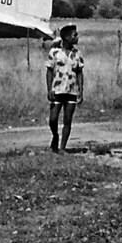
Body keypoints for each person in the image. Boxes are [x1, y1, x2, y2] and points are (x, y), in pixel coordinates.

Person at [46, 24, 84, 153]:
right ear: (67, 37)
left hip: (71, 90)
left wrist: (80, 91)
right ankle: (55, 136)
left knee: (68, 120)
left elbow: (79, 73)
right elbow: (49, 71)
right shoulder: (55, 53)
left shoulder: (77, 54)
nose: (77, 37)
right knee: (53, 118)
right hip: (57, 89)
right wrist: (49, 89)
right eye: (74, 35)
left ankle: (62, 147)